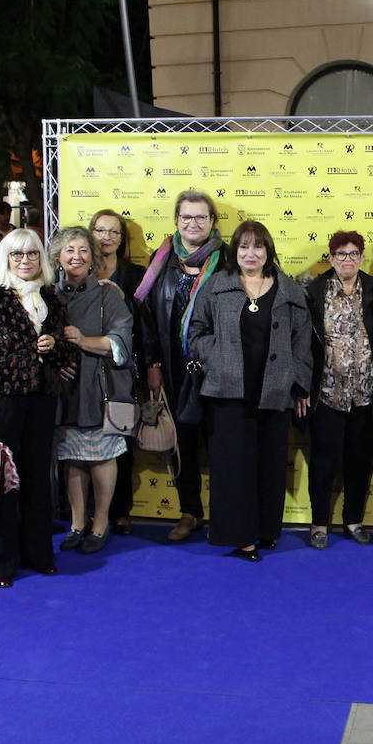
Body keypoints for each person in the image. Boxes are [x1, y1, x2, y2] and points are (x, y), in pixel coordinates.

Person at [187, 220, 311, 562]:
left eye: (258, 247)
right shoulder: (216, 286)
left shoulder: (289, 290)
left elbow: (302, 341)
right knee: (233, 467)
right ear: (234, 251)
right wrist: (218, 358)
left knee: (270, 465)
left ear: (268, 250)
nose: (250, 253)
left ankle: (267, 529)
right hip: (228, 393)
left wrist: (300, 385)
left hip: (275, 390)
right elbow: (196, 332)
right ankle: (241, 537)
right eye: (244, 247)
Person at [0, 229, 78, 587]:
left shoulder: (51, 300)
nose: (25, 261)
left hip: (42, 402)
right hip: (3, 404)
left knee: (37, 482)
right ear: (5, 259)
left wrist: (53, 345)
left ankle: (39, 554)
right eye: (17, 255)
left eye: (31, 254)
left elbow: (66, 356)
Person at [135, 191, 224, 542]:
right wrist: (153, 363)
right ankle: (190, 512)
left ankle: (224, 513)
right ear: (176, 220)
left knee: (220, 446)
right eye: (186, 217)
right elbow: (146, 318)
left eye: (201, 217)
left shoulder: (228, 261)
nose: (193, 223)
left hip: (216, 371)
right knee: (182, 446)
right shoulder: (161, 261)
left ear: (213, 222)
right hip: (173, 370)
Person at [49, 226, 134, 554]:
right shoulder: (48, 295)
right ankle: (76, 522)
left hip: (98, 387)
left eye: (83, 250)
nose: (76, 257)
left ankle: (100, 523)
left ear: (93, 258)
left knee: (101, 458)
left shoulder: (107, 294)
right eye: (70, 250)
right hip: (65, 389)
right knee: (72, 458)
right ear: (59, 257)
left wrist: (84, 341)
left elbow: (123, 340)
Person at [303, 231, 373, 549]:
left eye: (353, 254)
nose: (347, 260)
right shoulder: (314, 290)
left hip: (365, 394)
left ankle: (353, 521)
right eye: (340, 254)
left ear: (362, 257)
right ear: (331, 257)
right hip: (326, 393)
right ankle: (319, 524)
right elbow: (304, 342)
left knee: (360, 461)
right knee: (323, 462)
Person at [90, 208, 146, 536]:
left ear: (122, 239)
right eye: (100, 230)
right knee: (84, 439)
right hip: (86, 369)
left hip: (123, 368)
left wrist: (123, 301)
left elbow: (145, 323)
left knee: (121, 438)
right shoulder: (76, 269)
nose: (107, 237)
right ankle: (82, 512)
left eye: (113, 232)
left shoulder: (135, 274)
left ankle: (121, 511)